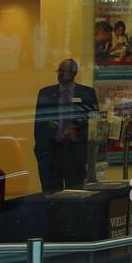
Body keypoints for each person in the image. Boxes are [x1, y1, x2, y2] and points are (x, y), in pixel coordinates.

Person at [33, 58, 100, 192]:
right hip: (51, 153)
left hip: (76, 153)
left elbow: (93, 123)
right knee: (50, 196)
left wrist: (78, 132)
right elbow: (40, 124)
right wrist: (42, 152)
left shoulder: (87, 93)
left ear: (74, 73)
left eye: (63, 71)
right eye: (59, 71)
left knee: (76, 196)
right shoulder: (46, 93)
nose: (59, 74)